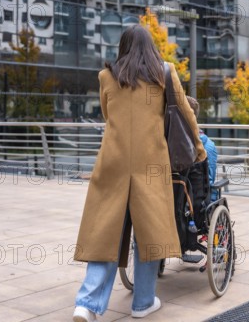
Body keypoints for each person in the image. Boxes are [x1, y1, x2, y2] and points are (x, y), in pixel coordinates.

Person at [72, 25, 206, 322]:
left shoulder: (107, 76)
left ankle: (86, 304)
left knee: (104, 234)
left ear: (122, 47)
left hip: (113, 163)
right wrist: (198, 149)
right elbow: (186, 114)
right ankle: (143, 303)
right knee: (149, 235)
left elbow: (108, 115)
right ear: (151, 48)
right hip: (151, 165)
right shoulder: (164, 74)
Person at [186, 96, 217, 189]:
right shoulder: (209, 145)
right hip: (201, 200)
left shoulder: (172, 143)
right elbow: (210, 180)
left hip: (176, 200)